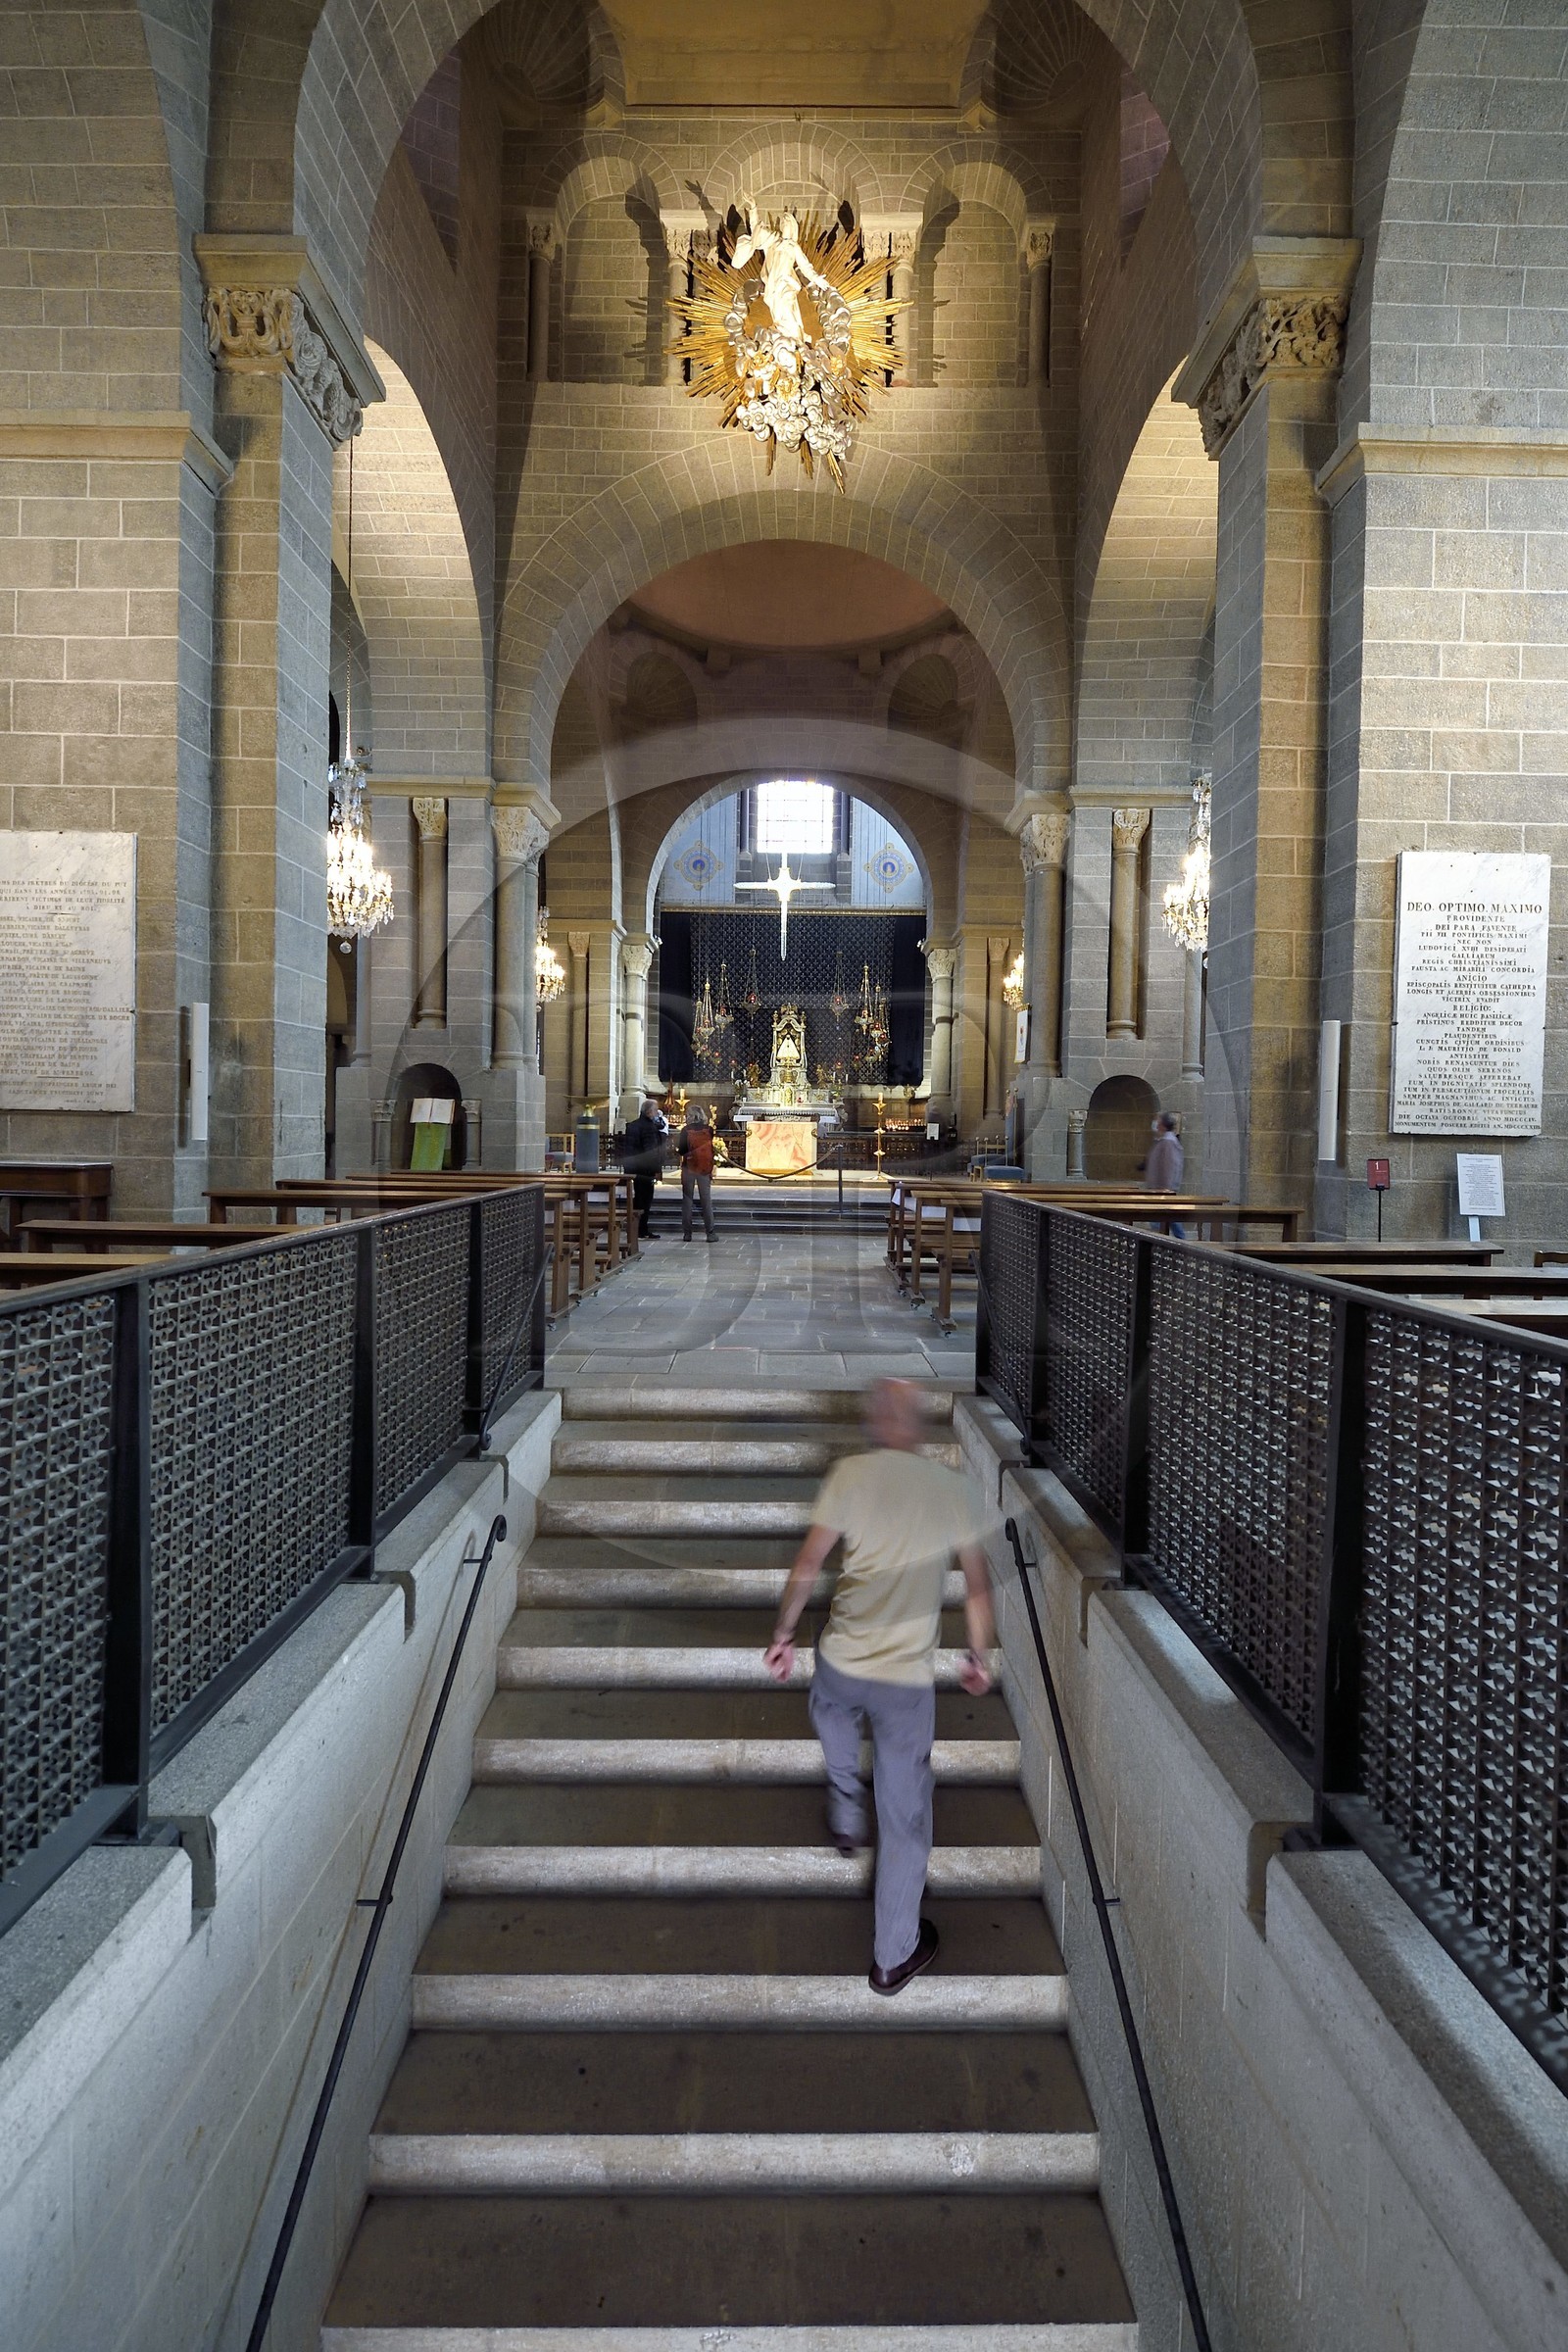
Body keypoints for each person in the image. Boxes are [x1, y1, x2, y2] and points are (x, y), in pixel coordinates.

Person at [763, 1380, 995, 1996]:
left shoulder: (849, 1475)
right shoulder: (952, 1491)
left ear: (874, 1422)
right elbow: (976, 1586)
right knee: (905, 1813)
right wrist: (976, 1654)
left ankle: (844, 1814)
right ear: (916, 1426)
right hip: (903, 1681)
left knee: (832, 1715)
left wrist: (784, 1634)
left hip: (842, 1660)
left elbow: (810, 1564)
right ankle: (893, 1955)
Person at [621, 1096, 666, 1240]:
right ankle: (641, 1230)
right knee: (645, 1200)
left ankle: (636, 1228)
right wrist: (657, 1169)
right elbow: (651, 1151)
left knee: (638, 1199)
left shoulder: (633, 1125)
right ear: (649, 1112)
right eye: (655, 1111)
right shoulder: (648, 1128)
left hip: (634, 1167)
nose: (657, 1113)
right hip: (645, 1170)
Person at [677, 1104, 716, 1243]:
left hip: (689, 1168)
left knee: (687, 1201)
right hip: (704, 1169)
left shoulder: (685, 1130)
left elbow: (681, 1151)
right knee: (706, 1201)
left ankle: (687, 1234)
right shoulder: (709, 1130)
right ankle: (710, 1233)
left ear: (690, 1116)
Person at [1145, 1109, 1185, 1237]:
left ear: (1162, 1125)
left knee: (1163, 1219)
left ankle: (1179, 1243)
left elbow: (1169, 1165)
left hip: (1162, 1189)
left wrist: (1165, 1187)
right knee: (1169, 1217)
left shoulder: (1168, 1142)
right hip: (1160, 1188)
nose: (1155, 1124)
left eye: (1158, 1121)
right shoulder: (1164, 1140)